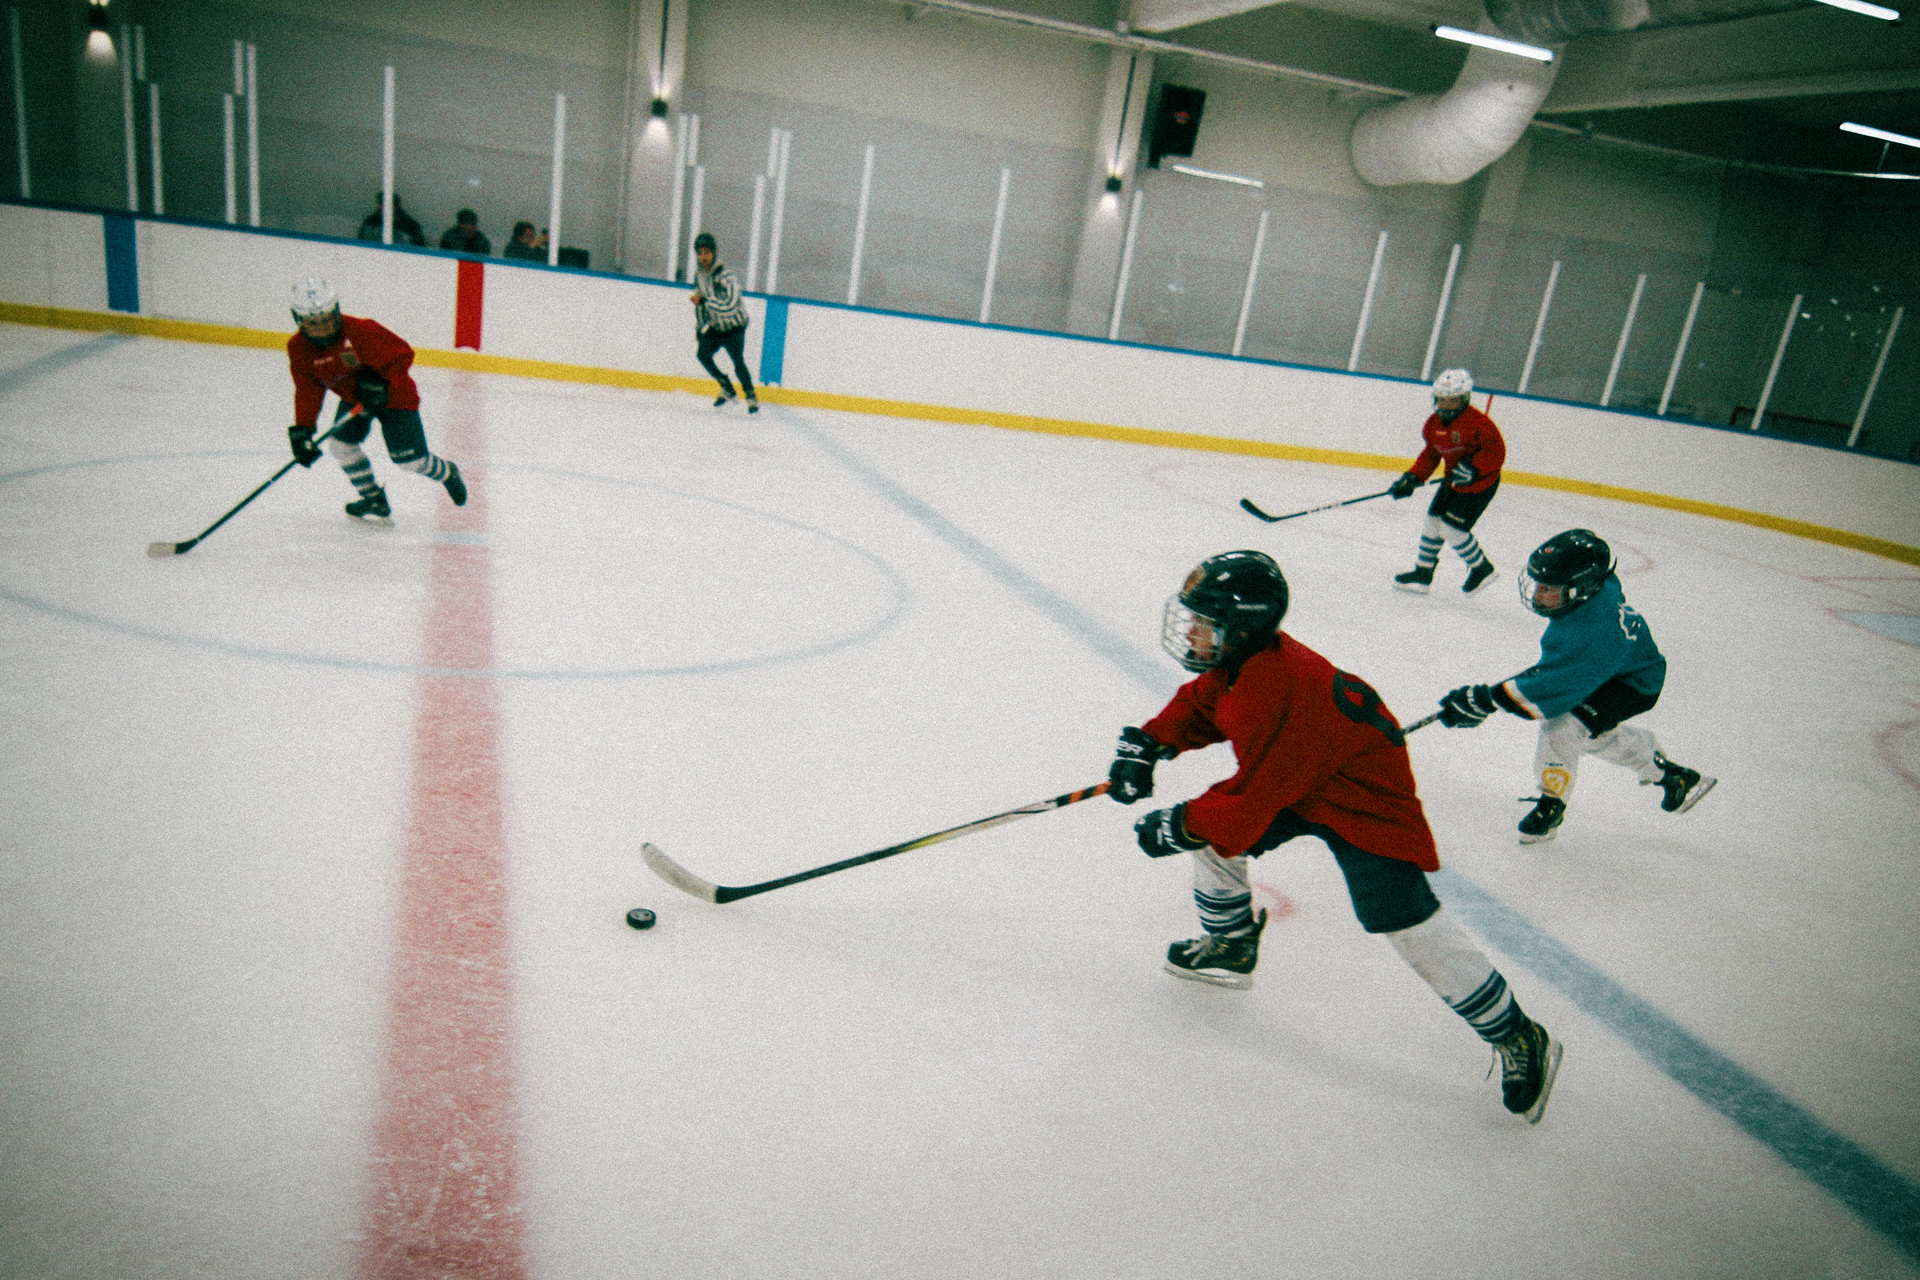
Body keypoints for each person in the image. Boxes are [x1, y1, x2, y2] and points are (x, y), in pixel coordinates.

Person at [1107, 550, 1563, 1122]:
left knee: (1404, 918)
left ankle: (1516, 1033)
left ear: (1243, 624)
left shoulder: (1279, 690)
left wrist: (1176, 824)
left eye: (1206, 622)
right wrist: (1149, 743)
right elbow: (1206, 704)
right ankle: (1231, 942)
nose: (1193, 631)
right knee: (1212, 833)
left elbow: (1249, 802)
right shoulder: (1246, 660)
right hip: (1305, 776)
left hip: (1361, 802)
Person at [1436, 529, 1716, 844]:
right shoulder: (1592, 594)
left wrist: (1487, 699)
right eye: (1539, 585)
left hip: (1632, 683)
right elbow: (1557, 672)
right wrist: (1489, 699)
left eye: (1550, 588)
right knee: (1592, 736)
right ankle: (1674, 776)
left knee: (1563, 726)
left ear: (1581, 587)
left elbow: (1555, 682)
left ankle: (1552, 804)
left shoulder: (1595, 631)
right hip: (1611, 669)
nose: (1539, 594)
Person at [285, 277, 467, 523]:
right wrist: (303, 429)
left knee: (411, 461)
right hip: (356, 400)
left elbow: (402, 353)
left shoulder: (360, 330)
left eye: (327, 320)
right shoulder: (298, 348)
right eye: (313, 323)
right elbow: (308, 388)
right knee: (340, 445)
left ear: (336, 312)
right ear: (298, 320)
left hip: (394, 394)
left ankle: (447, 472)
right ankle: (373, 498)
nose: (323, 328)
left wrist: (379, 380)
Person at [1388, 368, 1503, 595]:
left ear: (1464, 399)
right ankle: (1423, 573)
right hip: (1452, 482)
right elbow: (1431, 455)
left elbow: (1496, 452)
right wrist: (1412, 478)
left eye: (1451, 401)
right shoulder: (1434, 423)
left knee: (1451, 529)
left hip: (1479, 486)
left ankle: (1482, 568)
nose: (1444, 405)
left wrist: (1474, 469)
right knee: (1432, 522)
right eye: (1441, 400)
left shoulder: (1479, 424)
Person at [689, 231, 757, 413]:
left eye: (707, 252)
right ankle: (725, 385)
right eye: (700, 253)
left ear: (714, 253)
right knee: (702, 354)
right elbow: (699, 303)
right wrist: (699, 326)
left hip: (735, 326)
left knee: (737, 360)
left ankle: (750, 395)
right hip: (717, 326)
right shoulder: (699, 276)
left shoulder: (727, 276)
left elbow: (730, 305)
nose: (703, 257)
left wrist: (705, 302)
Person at [356, 194, 426, 246]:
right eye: (381, 204)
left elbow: (420, 249)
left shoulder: (410, 227)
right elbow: (360, 243)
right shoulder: (370, 222)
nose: (382, 207)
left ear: (395, 206)